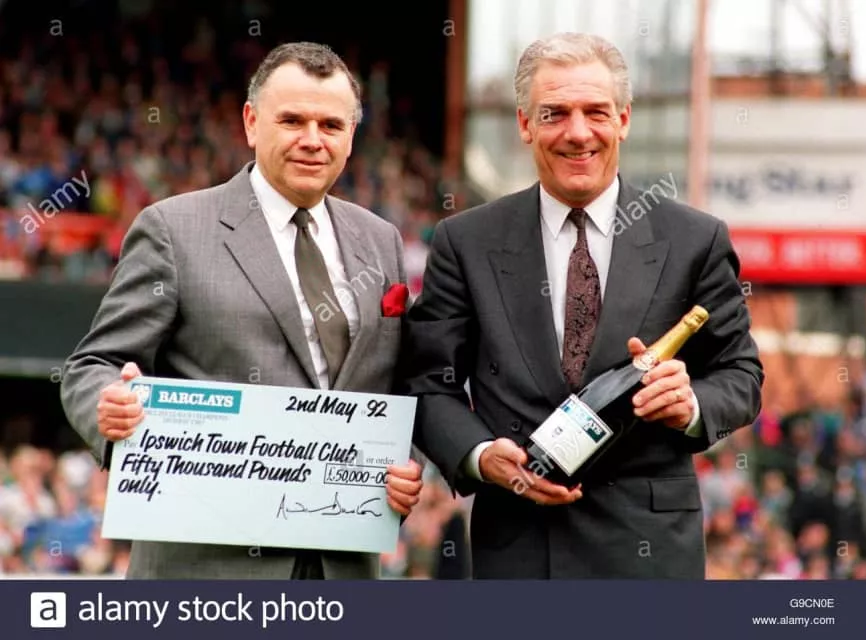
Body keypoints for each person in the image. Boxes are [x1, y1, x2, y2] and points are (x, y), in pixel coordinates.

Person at [399, 32, 764, 579]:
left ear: (623, 119)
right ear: (525, 124)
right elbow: (428, 382)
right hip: (518, 554)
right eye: (555, 113)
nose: (577, 132)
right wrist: (481, 455)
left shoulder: (695, 240)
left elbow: (741, 374)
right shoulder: (465, 242)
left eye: (596, 112)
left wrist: (690, 404)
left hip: (650, 556)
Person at [60, 42, 423, 579]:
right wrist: (107, 406)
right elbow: (94, 364)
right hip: (207, 574)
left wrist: (407, 464)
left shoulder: (381, 240)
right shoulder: (173, 230)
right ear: (252, 123)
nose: (312, 140)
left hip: (344, 565)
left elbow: (403, 384)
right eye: (292, 121)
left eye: (331, 125)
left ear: (351, 137)